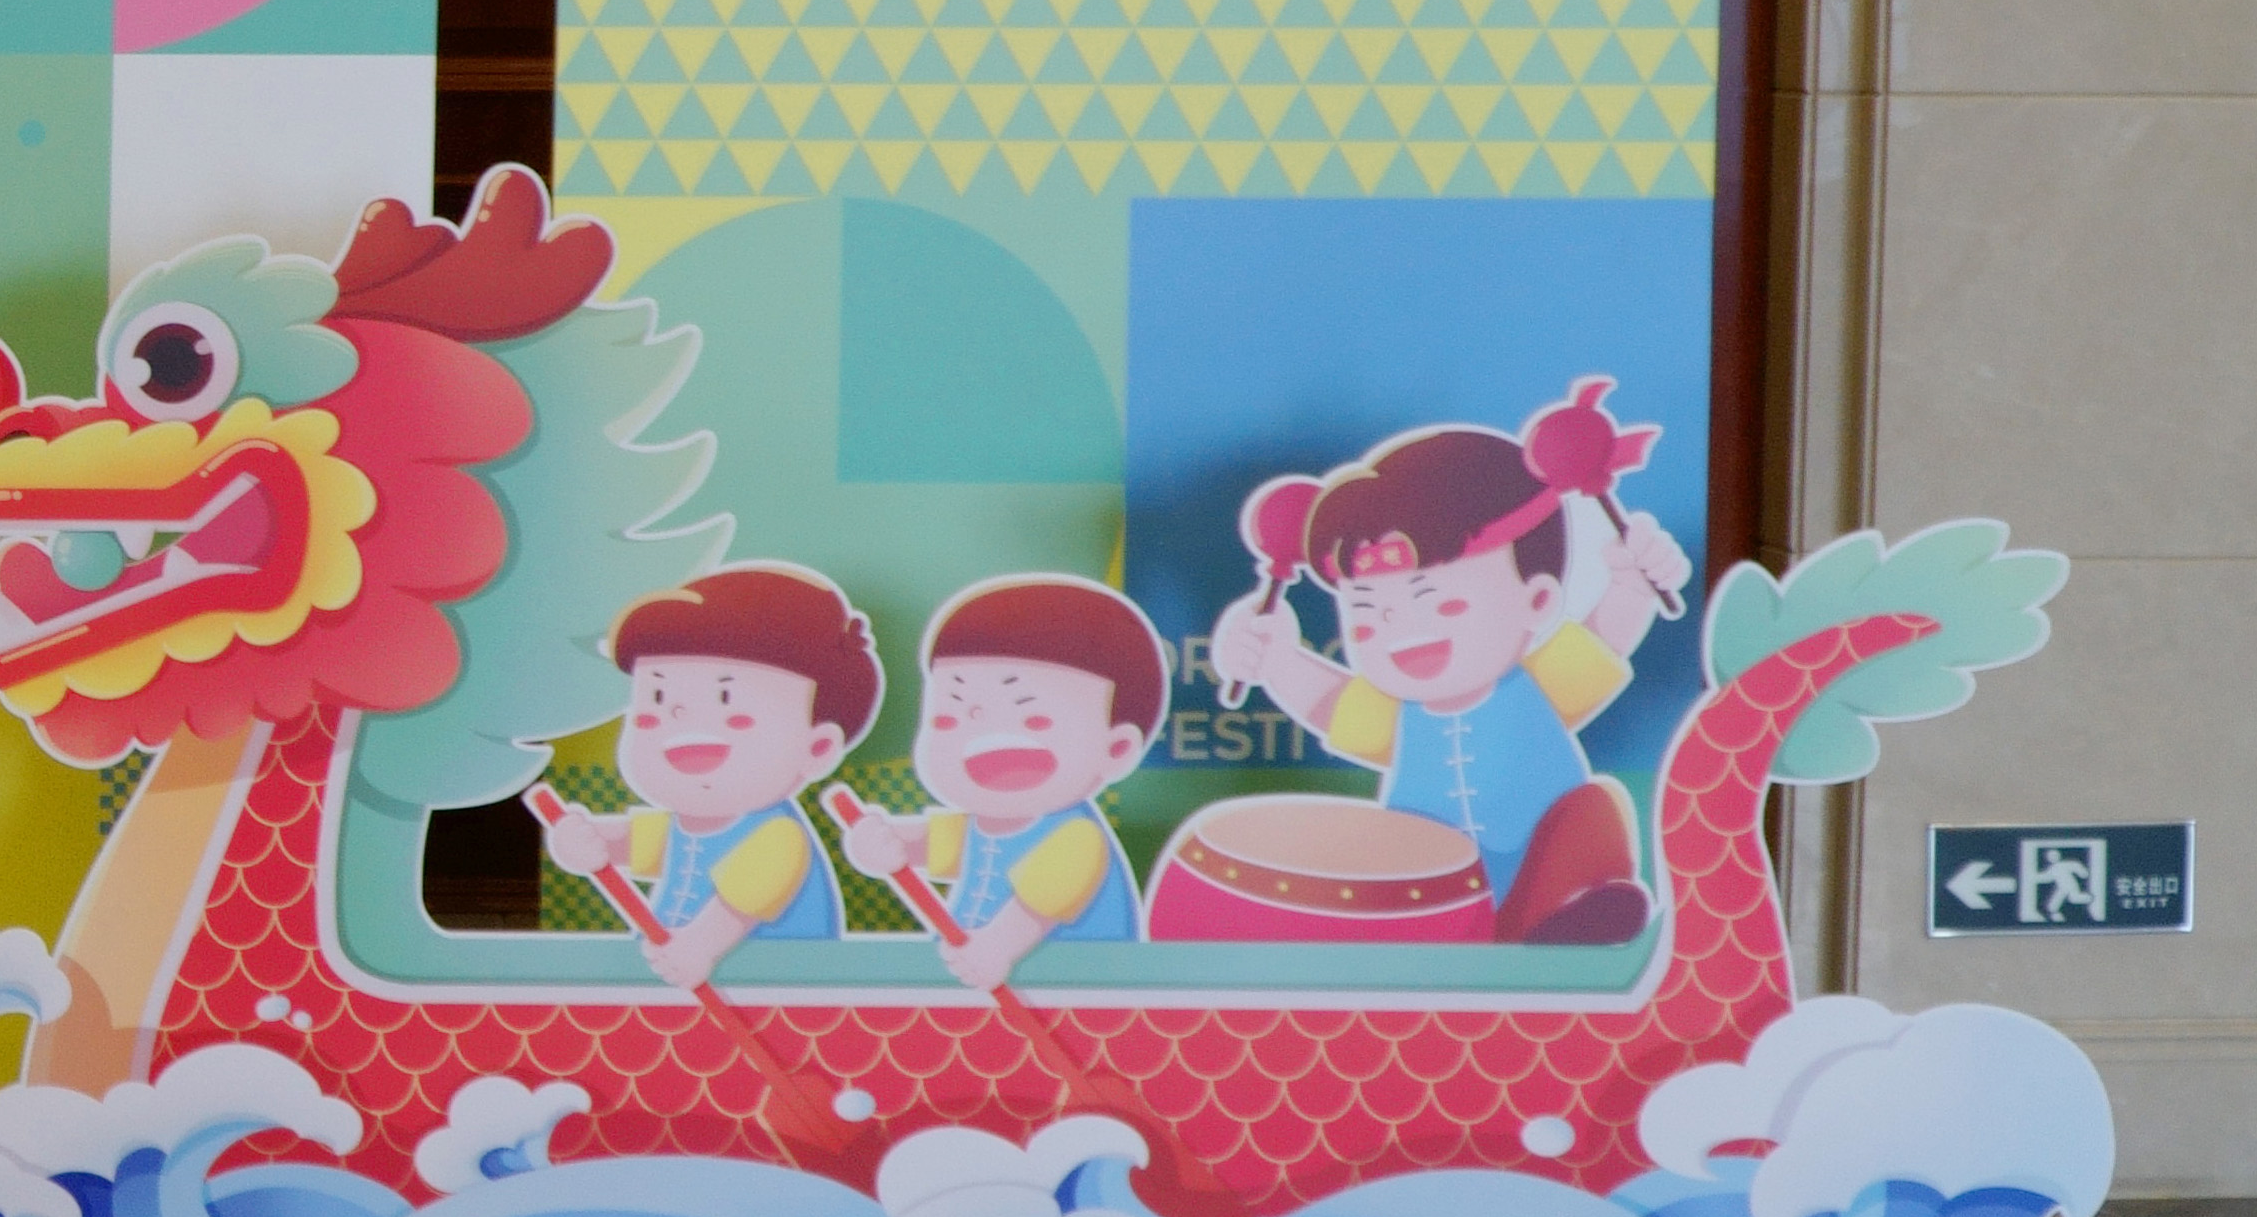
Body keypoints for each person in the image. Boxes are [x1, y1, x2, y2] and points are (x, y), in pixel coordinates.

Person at [1208, 381, 1689, 949]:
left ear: (1538, 600)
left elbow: (1607, 634)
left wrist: (1636, 580)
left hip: (1546, 890)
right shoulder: (1396, 718)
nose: (1404, 630)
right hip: (1430, 900)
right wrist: (1274, 659)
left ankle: (1576, 912)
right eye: (1369, 612)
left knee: (1590, 812)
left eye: (1436, 599)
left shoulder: (1538, 687)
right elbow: (1328, 704)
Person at [554, 564, 872, 988]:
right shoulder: (684, 824)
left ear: (818, 749)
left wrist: (698, 948)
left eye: (725, 698)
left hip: (778, 988)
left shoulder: (777, 838)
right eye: (658, 697)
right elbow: (628, 842)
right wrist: (584, 840)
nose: (680, 717)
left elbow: (731, 913)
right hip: (687, 984)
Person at [849, 574, 1156, 989]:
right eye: (949, 719)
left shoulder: (1076, 839)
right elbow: (920, 843)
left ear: (1116, 749)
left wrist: (996, 948)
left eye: (1033, 719)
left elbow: (1032, 912)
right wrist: (878, 842)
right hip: (988, 992)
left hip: (1078, 993)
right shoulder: (981, 827)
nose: (980, 736)